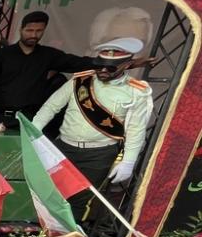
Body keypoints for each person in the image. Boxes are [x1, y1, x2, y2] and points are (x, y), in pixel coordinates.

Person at [32, 38, 154, 218]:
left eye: (110, 68)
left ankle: (69, 234)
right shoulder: (80, 81)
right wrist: (33, 130)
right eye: (99, 65)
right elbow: (51, 106)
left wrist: (128, 161)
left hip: (99, 155)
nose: (102, 71)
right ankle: (41, 230)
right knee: (48, 192)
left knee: (79, 199)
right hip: (63, 148)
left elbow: (136, 130)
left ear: (127, 65)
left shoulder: (136, 91)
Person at [0, 11, 96, 129]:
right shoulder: (2, 55)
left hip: (30, 120)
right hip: (0, 118)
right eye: (29, 30)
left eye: (39, 31)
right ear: (21, 29)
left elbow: (76, 63)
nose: (34, 35)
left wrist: (103, 61)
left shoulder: (48, 55)